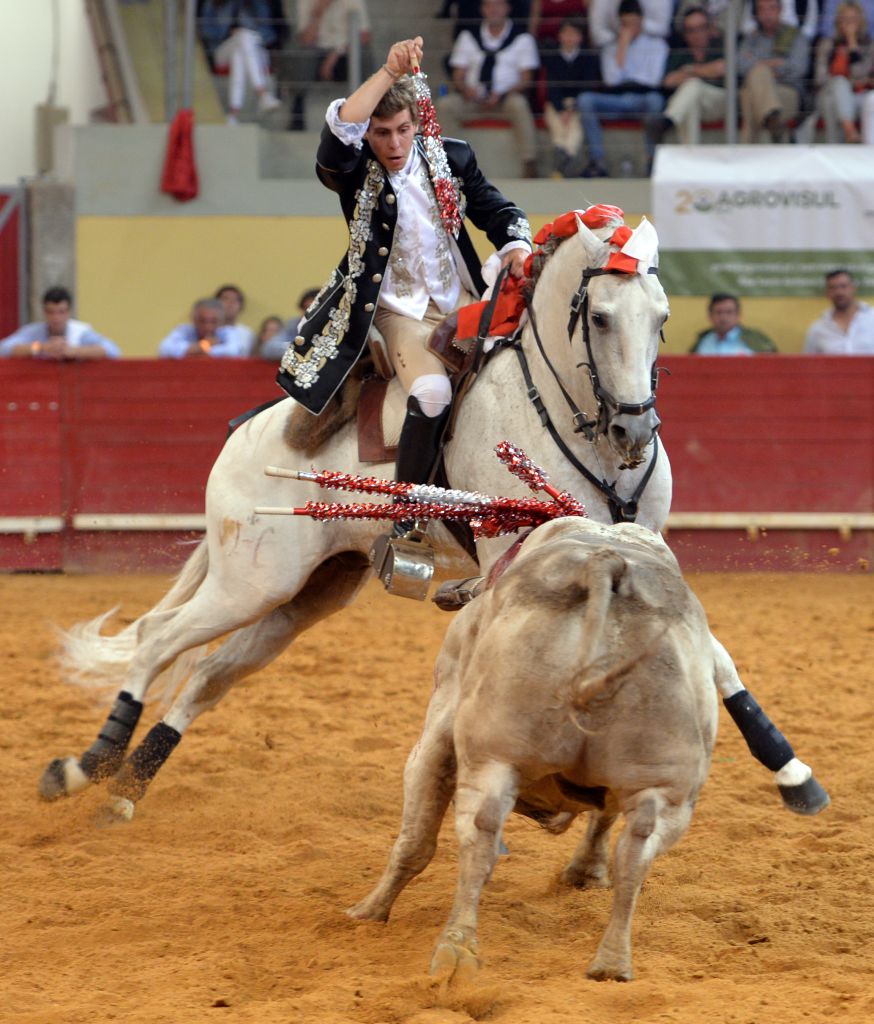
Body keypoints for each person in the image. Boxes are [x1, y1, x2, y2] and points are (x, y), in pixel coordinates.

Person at [276, 36, 532, 538]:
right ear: (368, 135)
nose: (393, 145)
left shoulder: (452, 158)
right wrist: (389, 73)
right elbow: (340, 130)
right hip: (399, 312)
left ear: (417, 125)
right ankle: (408, 519)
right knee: (433, 392)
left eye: (402, 130)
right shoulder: (353, 171)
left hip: (462, 300)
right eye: (381, 133)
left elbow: (497, 211)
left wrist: (517, 246)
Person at [438, 0, 542, 178]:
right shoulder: (468, 36)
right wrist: (465, 89)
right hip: (472, 99)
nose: (494, 9)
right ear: (482, 9)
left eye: (499, 5)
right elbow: (458, 74)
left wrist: (502, 94)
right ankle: (447, 163)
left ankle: (529, 162)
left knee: (519, 104)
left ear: (508, 8)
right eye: (489, 5)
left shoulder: (522, 38)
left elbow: (526, 79)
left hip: (505, 98)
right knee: (445, 105)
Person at [577, 0, 668, 177]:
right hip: (615, 100)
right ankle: (598, 161)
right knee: (585, 100)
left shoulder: (657, 45)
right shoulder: (611, 47)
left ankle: (652, 161)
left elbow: (653, 79)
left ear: (642, 21)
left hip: (643, 100)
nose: (630, 29)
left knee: (655, 101)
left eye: (634, 24)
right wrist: (623, 46)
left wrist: (630, 74)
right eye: (626, 24)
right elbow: (612, 79)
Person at [281, 0, 373, 131]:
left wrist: (335, 54)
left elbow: (364, 36)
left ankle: (369, 111)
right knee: (300, 54)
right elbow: (306, 39)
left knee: (365, 54)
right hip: (316, 55)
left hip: (344, 54)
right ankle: (297, 111)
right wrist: (319, 12)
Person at [197, 0, 286, 124]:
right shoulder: (212, 3)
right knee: (242, 38)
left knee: (240, 50)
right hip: (223, 48)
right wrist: (229, 33)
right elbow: (206, 30)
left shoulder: (258, 3)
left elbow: (268, 32)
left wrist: (250, 34)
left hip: (255, 49)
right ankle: (262, 94)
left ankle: (234, 113)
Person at [649, 6, 726, 146]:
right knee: (690, 102)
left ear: (709, 29)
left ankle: (667, 121)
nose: (697, 34)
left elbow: (720, 69)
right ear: (685, 34)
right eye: (691, 30)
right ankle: (691, 156)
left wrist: (689, 70)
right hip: (692, 103)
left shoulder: (719, 47)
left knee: (692, 84)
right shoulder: (680, 54)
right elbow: (668, 81)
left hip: (719, 101)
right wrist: (703, 71)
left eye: (701, 28)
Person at [737, 0, 810, 142]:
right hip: (764, 95)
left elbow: (799, 69)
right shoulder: (750, 39)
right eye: (762, 9)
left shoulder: (794, 36)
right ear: (756, 14)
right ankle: (771, 119)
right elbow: (739, 67)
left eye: (771, 8)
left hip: (788, 93)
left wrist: (759, 65)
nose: (767, 14)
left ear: (780, 10)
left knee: (751, 91)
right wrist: (774, 65)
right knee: (753, 88)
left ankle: (747, 155)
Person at [541, 17, 600, 176]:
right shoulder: (552, 57)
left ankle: (564, 159)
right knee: (557, 123)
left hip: (577, 103)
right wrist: (561, 109)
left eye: (574, 34)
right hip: (556, 103)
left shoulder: (588, 57)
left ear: (580, 37)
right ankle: (564, 156)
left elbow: (587, 86)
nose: (569, 38)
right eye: (566, 33)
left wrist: (571, 108)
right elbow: (551, 86)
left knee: (575, 125)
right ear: (559, 36)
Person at [810, 1, 874, 143]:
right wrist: (841, 82)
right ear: (838, 21)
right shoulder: (827, 44)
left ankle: (836, 148)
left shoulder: (869, 45)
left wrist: (852, 46)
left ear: (861, 21)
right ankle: (850, 131)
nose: (849, 23)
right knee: (838, 85)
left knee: (833, 101)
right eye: (845, 18)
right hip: (829, 91)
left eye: (853, 19)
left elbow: (860, 74)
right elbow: (819, 78)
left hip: (857, 96)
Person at [0, 286, 121, 360]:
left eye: (61, 312)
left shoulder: (80, 332)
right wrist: (41, 348)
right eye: (51, 312)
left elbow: (113, 350)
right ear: (44, 312)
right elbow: (3, 348)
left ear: (69, 312)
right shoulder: (34, 332)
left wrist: (75, 351)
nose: (56, 318)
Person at [803, 268, 874, 353]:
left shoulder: (871, 319)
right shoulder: (818, 329)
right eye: (833, 288)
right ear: (827, 293)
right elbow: (809, 364)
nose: (839, 292)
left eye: (843, 286)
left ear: (854, 288)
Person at [158, 298, 249, 357]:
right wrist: (205, 344)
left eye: (213, 321)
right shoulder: (184, 330)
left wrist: (193, 351)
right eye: (202, 321)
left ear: (222, 321)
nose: (207, 326)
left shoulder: (228, 332)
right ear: (193, 319)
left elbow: (232, 351)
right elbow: (164, 348)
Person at [689, 294, 778, 354]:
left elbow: (773, 367)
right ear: (710, 316)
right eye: (719, 312)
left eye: (729, 312)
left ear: (738, 315)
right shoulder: (702, 341)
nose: (723, 317)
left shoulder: (756, 339)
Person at [588, 0, 672, 46]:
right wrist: (620, 37)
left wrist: (638, 25)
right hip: (613, 45)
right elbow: (597, 34)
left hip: (648, 44)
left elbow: (663, 29)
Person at [214, 283, 255, 354]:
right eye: (225, 299)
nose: (230, 303)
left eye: (235, 300)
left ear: (241, 306)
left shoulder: (247, 333)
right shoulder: (207, 330)